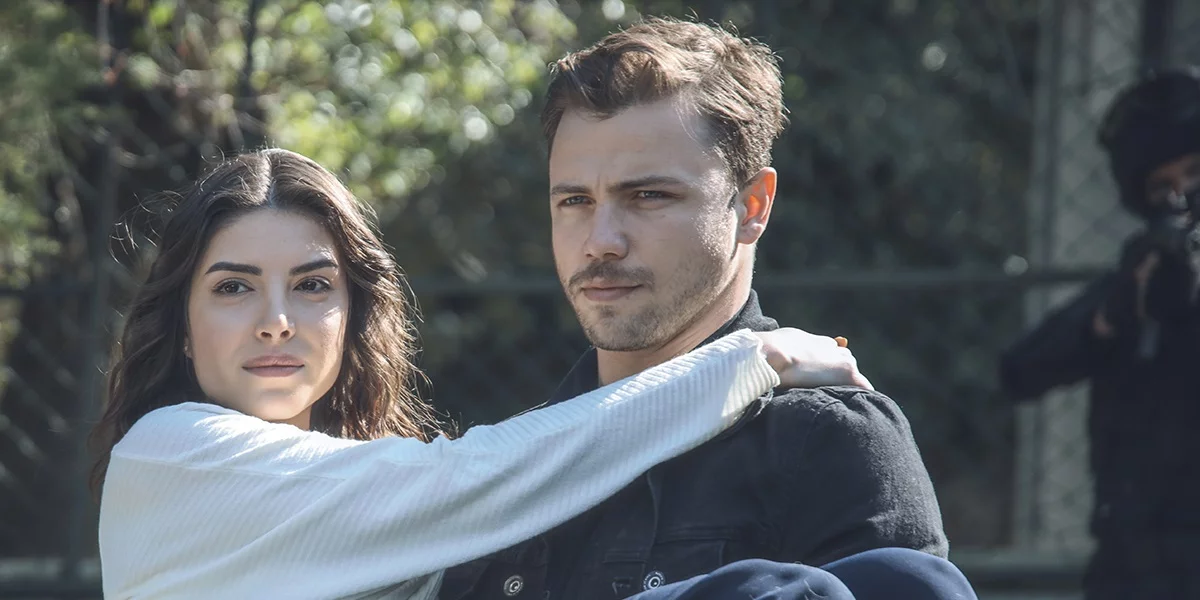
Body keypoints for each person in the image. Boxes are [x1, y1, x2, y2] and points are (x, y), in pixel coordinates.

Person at [92, 148, 875, 599]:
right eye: (233, 289)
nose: (276, 320)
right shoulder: (166, 456)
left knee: (902, 581)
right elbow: (478, 476)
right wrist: (752, 360)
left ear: (353, 314)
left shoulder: (369, 479)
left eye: (312, 285)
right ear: (183, 330)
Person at [442, 17, 953, 600]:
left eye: (648, 196)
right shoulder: (515, 460)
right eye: (576, 200)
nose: (600, 241)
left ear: (753, 206)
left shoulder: (823, 439)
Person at [1000, 68, 1200, 599]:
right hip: (1135, 562)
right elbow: (1020, 369)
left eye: (1193, 172)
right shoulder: (1142, 277)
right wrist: (1112, 319)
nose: (1181, 196)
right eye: (1163, 186)